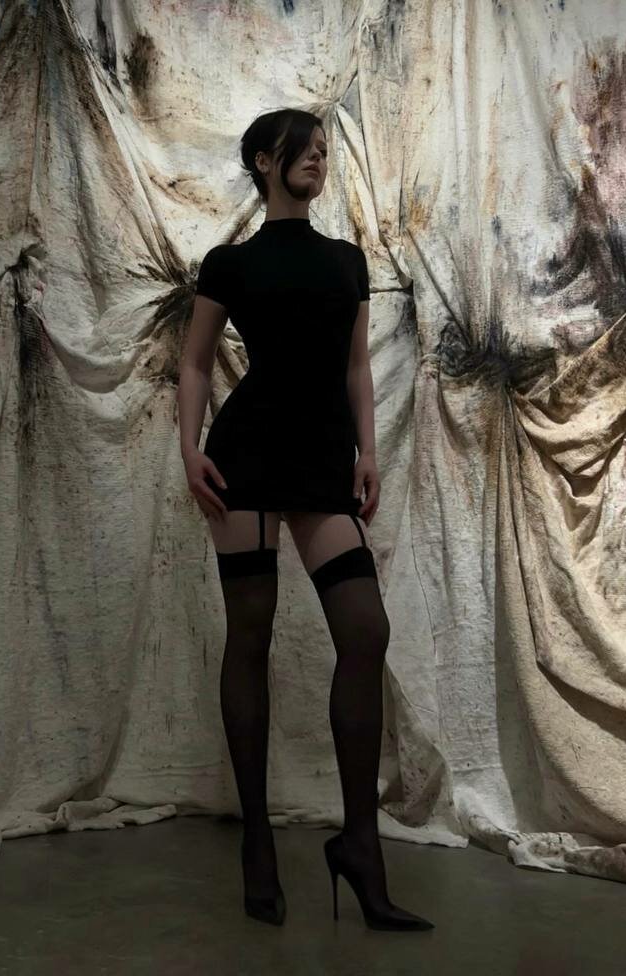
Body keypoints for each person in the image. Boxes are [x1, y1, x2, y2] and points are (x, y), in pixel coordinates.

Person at [177, 108, 434, 932]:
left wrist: (369, 452)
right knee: (250, 633)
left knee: (365, 630)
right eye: (304, 148)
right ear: (264, 161)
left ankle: (360, 844)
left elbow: (356, 366)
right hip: (246, 456)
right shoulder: (231, 263)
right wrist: (189, 448)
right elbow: (194, 360)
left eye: (325, 149)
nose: (319, 157)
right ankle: (256, 840)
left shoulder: (346, 261)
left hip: (323, 461)